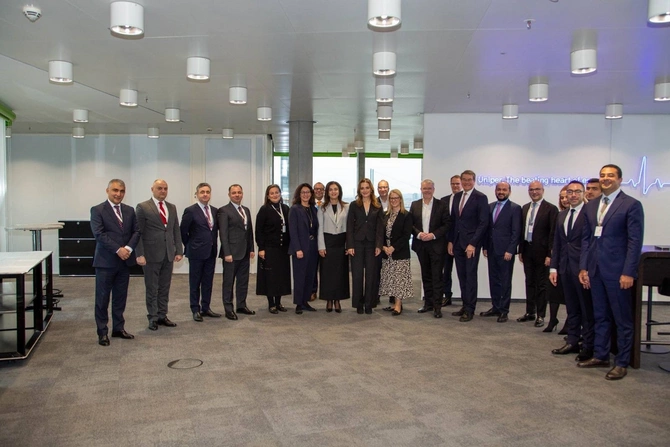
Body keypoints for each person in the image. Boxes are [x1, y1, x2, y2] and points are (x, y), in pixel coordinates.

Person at [578, 164, 644, 381]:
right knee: (600, 315)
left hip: (618, 272)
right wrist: (584, 267)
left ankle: (622, 362)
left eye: (611, 176)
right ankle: (601, 355)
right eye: (602, 175)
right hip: (595, 270)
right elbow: (586, 239)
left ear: (620, 179)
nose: (606, 179)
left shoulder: (631, 205)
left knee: (622, 318)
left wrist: (629, 272)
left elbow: (634, 242)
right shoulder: (591, 205)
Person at [90, 179, 140, 346]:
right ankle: (102, 332)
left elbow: (136, 231)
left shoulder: (129, 210)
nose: (118, 194)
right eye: (115, 190)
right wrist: (118, 250)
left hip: (124, 262)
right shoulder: (98, 210)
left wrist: (128, 248)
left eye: (122, 191)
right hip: (106, 262)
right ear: (108, 191)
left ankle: (118, 328)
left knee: (120, 297)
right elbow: (99, 234)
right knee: (102, 299)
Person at [550, 181, 595, 361]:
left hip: (583, 270)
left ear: (583, 194)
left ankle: (589, 346)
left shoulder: (590, 214)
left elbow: (590, 244)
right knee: (572, 308)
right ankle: (572, 341)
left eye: (577, 191)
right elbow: (558, 243)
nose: (573, 195)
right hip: (565, 268)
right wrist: (554, 267)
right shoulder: (562, 215)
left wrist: (586, 268)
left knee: (586, 310)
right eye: (570, 192)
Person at [135, 179, 183, 331]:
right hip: (150, 254)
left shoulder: (172, 207)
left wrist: (179, 250)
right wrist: (139, 253)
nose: (163, 191)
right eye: (159, 188)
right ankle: (153, 317)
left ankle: (162, 315)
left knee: (164, 287)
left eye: (165, 188)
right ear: (152, 189)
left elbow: (175, 229)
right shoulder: (143, 207)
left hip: (168, 253)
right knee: (152, 287)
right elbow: (138, 232)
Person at [448, 170, 488, 322]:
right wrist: (451, 241)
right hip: (458, 243)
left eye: (469, 180)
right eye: (464, 180)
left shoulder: (480, 197)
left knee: (470, 276)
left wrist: (473, 243)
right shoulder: (457, 196)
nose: (466, 182)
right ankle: (465, 306)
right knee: (462, 276)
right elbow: (454, 221)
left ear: (474, 181)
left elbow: (483, 223)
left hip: (471, 245)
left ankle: (470, 309)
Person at [517, 181, 558, 328]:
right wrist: (521, 250)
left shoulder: (551, 209)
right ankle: (530, 312)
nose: (534, 192)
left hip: (542, 252)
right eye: (531, 189)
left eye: (537, 189)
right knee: (529, 282)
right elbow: (522, 231)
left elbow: (553, 233)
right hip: (527, 250)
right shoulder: (525, 208)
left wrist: (549, 254)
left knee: (541, 284)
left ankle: (541, 315)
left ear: (543, 190)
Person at [180, 183, 221, 322]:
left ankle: (206, 308)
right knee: (195, 282)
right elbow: (183, 231)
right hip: (196, 253)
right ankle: (195, 309)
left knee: (208, 282)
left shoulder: (215, 211)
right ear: (197, 194)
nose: (205, 194)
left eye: (207, 192)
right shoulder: (190, 210)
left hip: (211, 252)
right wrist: (190, 245)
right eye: (202, 192)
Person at [481, 182, 521, 323]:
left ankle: (504, 310)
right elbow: (487, 229)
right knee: (494, 280)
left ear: (509, 191)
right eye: (499, 189)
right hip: (492, 250)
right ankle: (496, 307)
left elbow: (516, 232)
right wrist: (485, 247)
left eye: (504, 189)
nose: (501, 192)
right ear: (495, 191)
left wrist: (511, 250)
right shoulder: (490, 206)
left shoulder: (515, 208)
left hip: (506, 252)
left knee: (505, 281)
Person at [411, 179, 450, 318]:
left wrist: (433, 235)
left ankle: (437, 307)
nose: (427, 190)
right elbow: (411, 224)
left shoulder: (442, 205)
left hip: (437, 245)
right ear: (421, 189)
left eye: (429, 188)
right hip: (421, 245)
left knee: (437, 277)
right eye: (424, 188)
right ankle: (428, 304)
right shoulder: (415, 204)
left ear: (433, 189)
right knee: (425, 276)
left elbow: (447, 224)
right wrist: (419, 234)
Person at [217, 184, 256, 321]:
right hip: (231, 254)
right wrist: (227, 253)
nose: (237, 195)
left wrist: (251, 249)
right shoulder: (224, 211)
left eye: (239, 192)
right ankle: (228, 309)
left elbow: (249, 231)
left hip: (245, 252)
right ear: (229, 195)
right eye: (234, 193)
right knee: (229, 282)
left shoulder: (246, 210)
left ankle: (241, 305)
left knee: (243, 281)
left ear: (242, 194)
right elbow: (223, 234)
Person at [347, 178, 384, 314]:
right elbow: (349, 226)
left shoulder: (377, 205)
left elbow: (380, 228)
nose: (364, 190)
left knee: (371, 275)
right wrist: (350, 245)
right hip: (357, 244)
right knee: (357, 275)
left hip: (372, 244)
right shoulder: (354, 205)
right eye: (362, 188)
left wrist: (379, 245)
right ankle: (358, 304)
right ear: (359, 190)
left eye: (367, 188)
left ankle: (369, 304)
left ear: (371, 189)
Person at [255, 184, 292, 314]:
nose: (275, 195)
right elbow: (259, 231)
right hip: (269, 248)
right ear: (268, 196)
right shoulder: (264, 209)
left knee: (281, 276)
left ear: (280, 194)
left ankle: (278, 302)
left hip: (283, 249)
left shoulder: (285, 208)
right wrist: (261, 248)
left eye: (277, 192)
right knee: (270, 276)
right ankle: (271, 303)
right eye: (272, 193)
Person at [317, 181, 350, 313]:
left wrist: (348, 245)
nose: (333, 192)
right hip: (328, 242)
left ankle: (337, 300)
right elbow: (319, 228)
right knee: (327, 273)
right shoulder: (322, 208)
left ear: (339, 191)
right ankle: (329, 300)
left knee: (340, 273)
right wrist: (321, 246)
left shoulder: (346, 207)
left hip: (341, 243)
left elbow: (349, 228)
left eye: (336, 189)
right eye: (331, 189)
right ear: (327, 192)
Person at [379, 189, 413, 315]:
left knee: (399, 279)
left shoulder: (406, 215)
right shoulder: (385, 214)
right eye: (391, 198)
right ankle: (394, 303)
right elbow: (380, 232)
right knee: (391, 278)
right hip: (386, 251)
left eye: (396, 198)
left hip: (400, 252)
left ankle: (398, 304)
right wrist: (384, 247)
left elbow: (406, 235)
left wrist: (393, 247)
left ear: (400, 199)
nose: (393, 200)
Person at [289, 183, 319, 314]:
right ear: (299, 194)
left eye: (308, 192)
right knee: (300, 276)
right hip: (300, 248)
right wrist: (297, 249)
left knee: (310, 275)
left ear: (311, 194)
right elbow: (293, 231)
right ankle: (299, 304)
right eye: (303, 192)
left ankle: (306, 301)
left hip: (313, 247)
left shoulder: (313, 209)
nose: (306, 194)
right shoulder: (295, 209)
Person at [545, 185, 569, 333]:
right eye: (562, 197)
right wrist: (551, 255)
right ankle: (553, 320)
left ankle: (569, 323)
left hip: (571, 260)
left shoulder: (582, 214)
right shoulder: (559, 215)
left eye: (567, 196)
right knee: (553, 291)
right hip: (557, 259)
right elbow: (553, 237)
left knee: (569, 294)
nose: (564, 200)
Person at [439, 174, 462, 306]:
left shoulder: (465, 200)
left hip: (461, 242)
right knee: (446, 271)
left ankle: (466, 299)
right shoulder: (444, 201)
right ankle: (447, 296)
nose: (455, 186)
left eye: (457, 183)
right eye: (453, 183)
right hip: (445, 242)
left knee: (462, 272)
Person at [311, 182, 326, 301]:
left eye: (321, 189)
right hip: (312, 240)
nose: (319, 191)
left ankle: (325, 291)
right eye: (316, 189)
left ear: (324, 191)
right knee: (313, 268)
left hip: (326, 240)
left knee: (325, 268)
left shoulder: (328, 204)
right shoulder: (310, 204)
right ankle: (313, 290)